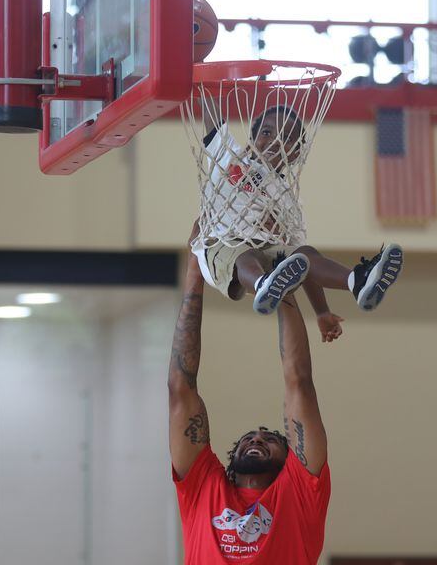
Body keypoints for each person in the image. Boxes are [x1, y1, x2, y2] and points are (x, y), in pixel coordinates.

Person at [169, 248, 330, 564]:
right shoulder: (204, 487)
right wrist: (193, 270)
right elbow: (180, 390)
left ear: (290, 460)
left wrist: (283, 291)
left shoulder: (299, 491)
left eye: (270, 439)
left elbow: (299, 383)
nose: (256, 439)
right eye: (249, 439)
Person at [193, 104, 404, 333]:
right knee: (246, 254)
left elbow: (302, 263)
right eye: (266, 132)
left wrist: (322, 312)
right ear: (252, 139)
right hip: (222, 245)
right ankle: (262, 284)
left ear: (295, 153)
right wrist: (201, 71)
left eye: (286, 137)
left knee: (306, 252)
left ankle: (358, 281)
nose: (275, 140)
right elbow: (210, 111)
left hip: (269, 256)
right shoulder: (227, 156)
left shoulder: (287, 198)